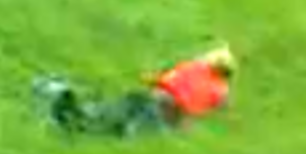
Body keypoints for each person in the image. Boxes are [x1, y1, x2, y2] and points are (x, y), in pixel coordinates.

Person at [35, 45, 236, 137]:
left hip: (148, 98)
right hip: (162, 112)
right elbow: (193, 114)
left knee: (106, 115)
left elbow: (161, 81)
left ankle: (69, 109)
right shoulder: (220, 90)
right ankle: (72, 119)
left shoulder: (191, 67)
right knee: (117, 131)